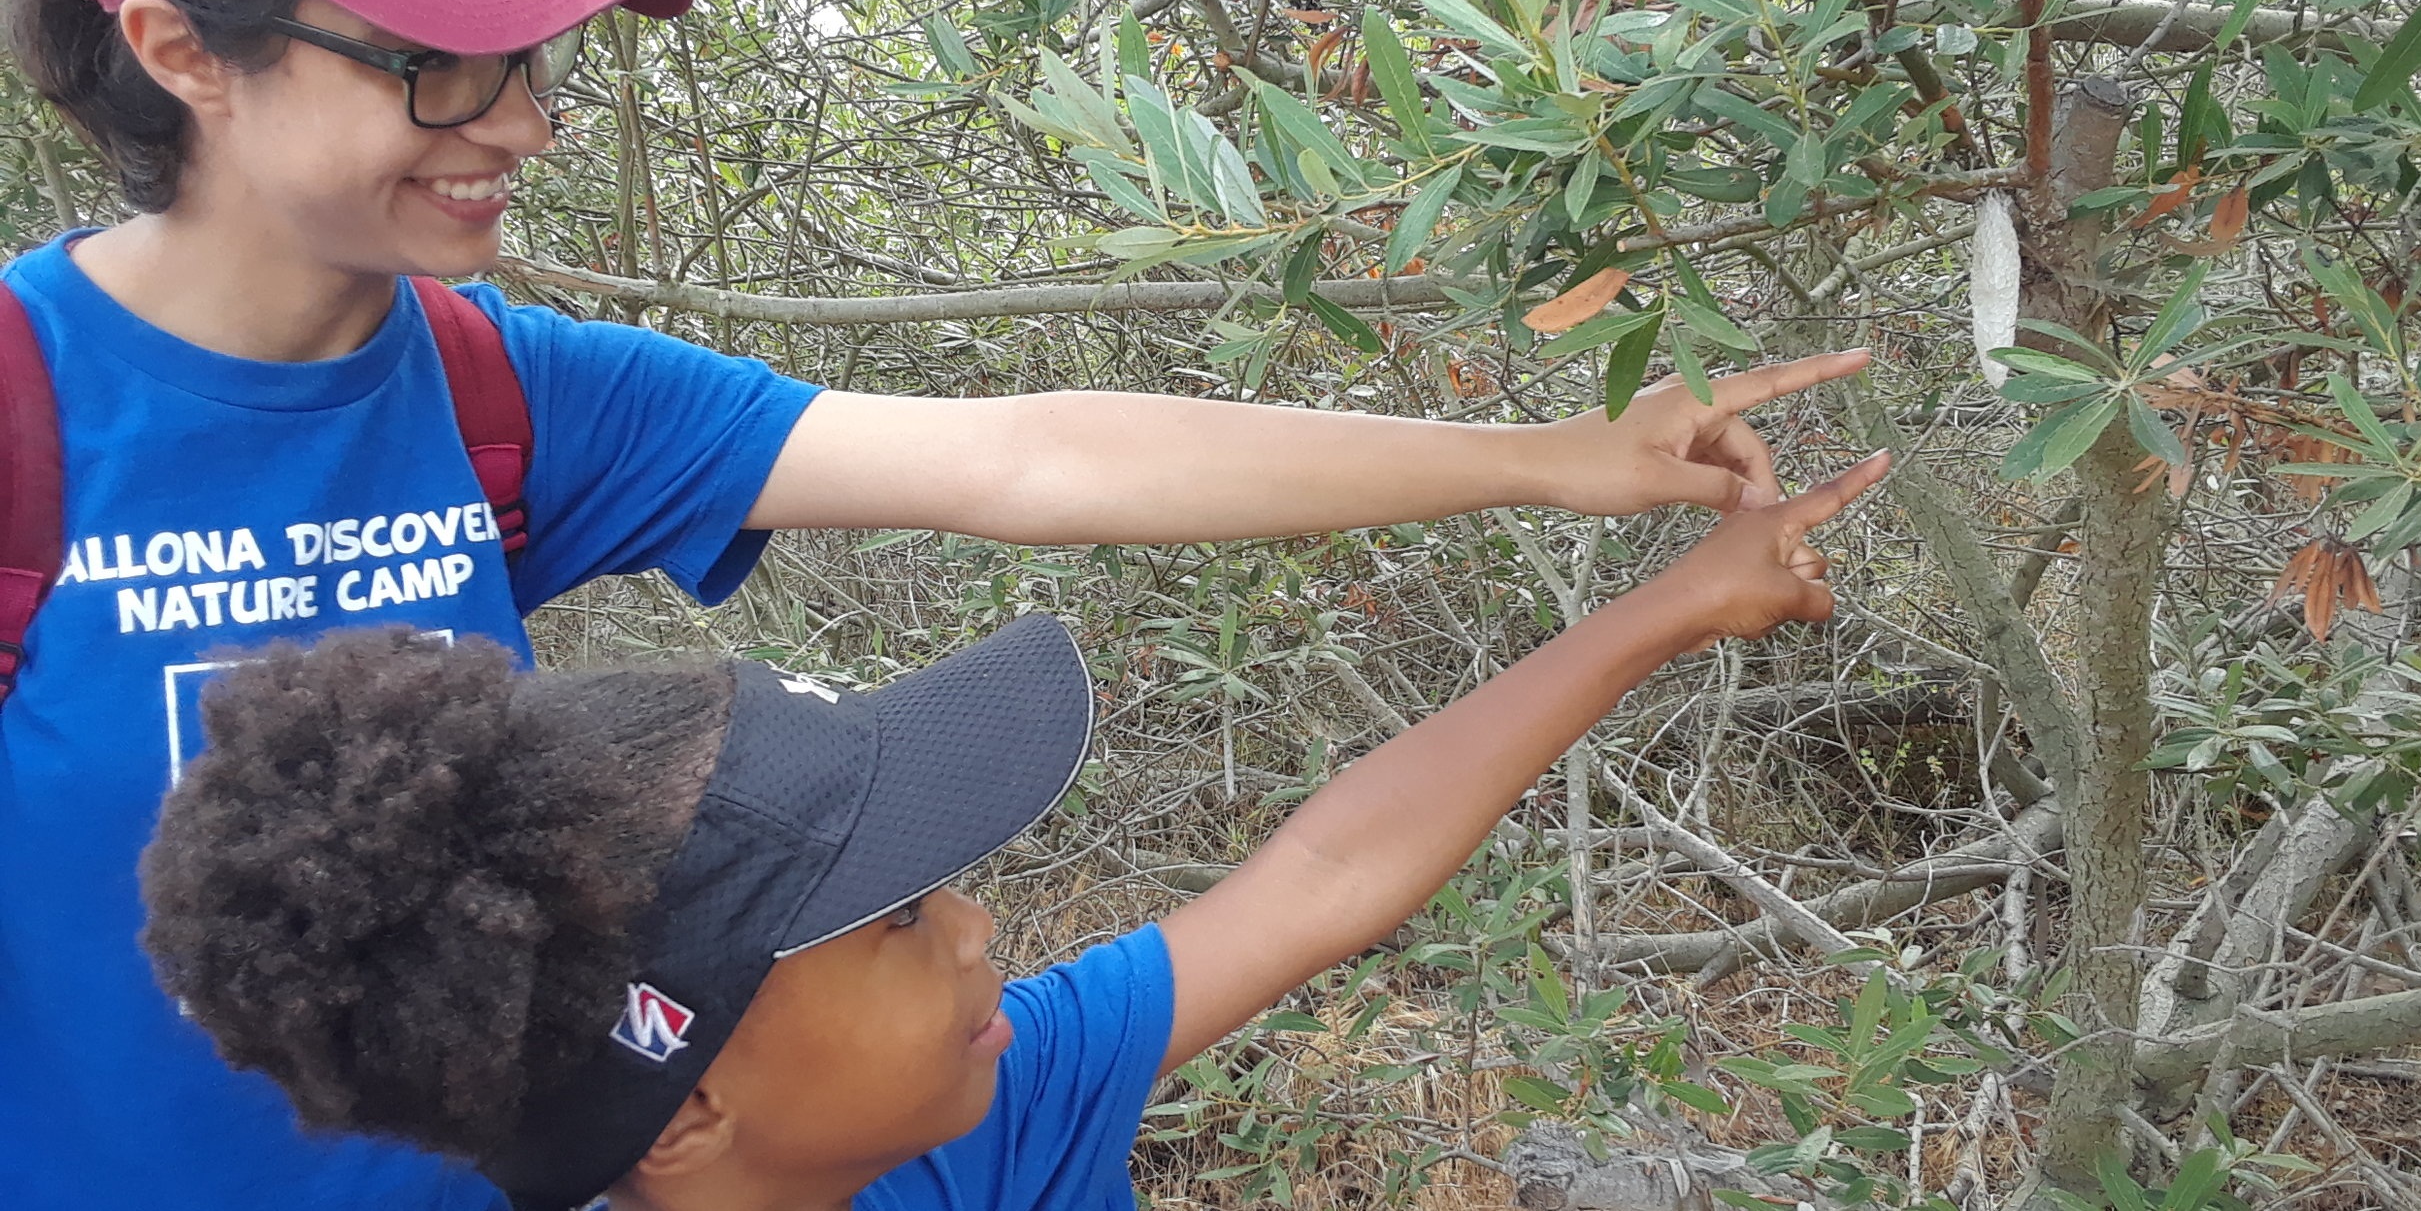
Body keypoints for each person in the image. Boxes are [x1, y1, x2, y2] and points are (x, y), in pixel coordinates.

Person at [6, 0, 1867, 1204]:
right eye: (439, 61)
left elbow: (1030, 459)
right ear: (184, 53)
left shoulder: (505, 388)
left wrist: (1555, 461)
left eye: (535, 55)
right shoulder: (31, 417)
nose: (523, 121)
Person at [139, 453, 1888, 1211]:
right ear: (693, 1103)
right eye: (893, 919)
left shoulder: (962, 1124)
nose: (978, 930)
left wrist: (1665, 607)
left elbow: (1323, 874)